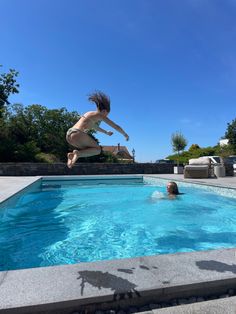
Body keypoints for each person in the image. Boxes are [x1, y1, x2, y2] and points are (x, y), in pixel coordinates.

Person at [66, 91, 129, 168]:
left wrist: (106, 132)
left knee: (89, 149)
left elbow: (94, 127)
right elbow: (116, 127)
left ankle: (72, 156)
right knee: (97, 150)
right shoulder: (100, 115)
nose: (105, 117)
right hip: (77, 134)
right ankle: (77, 154)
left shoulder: (89, 113)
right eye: (107, 115)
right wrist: (125, 134)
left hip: (69, 136)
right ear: (104, 111)